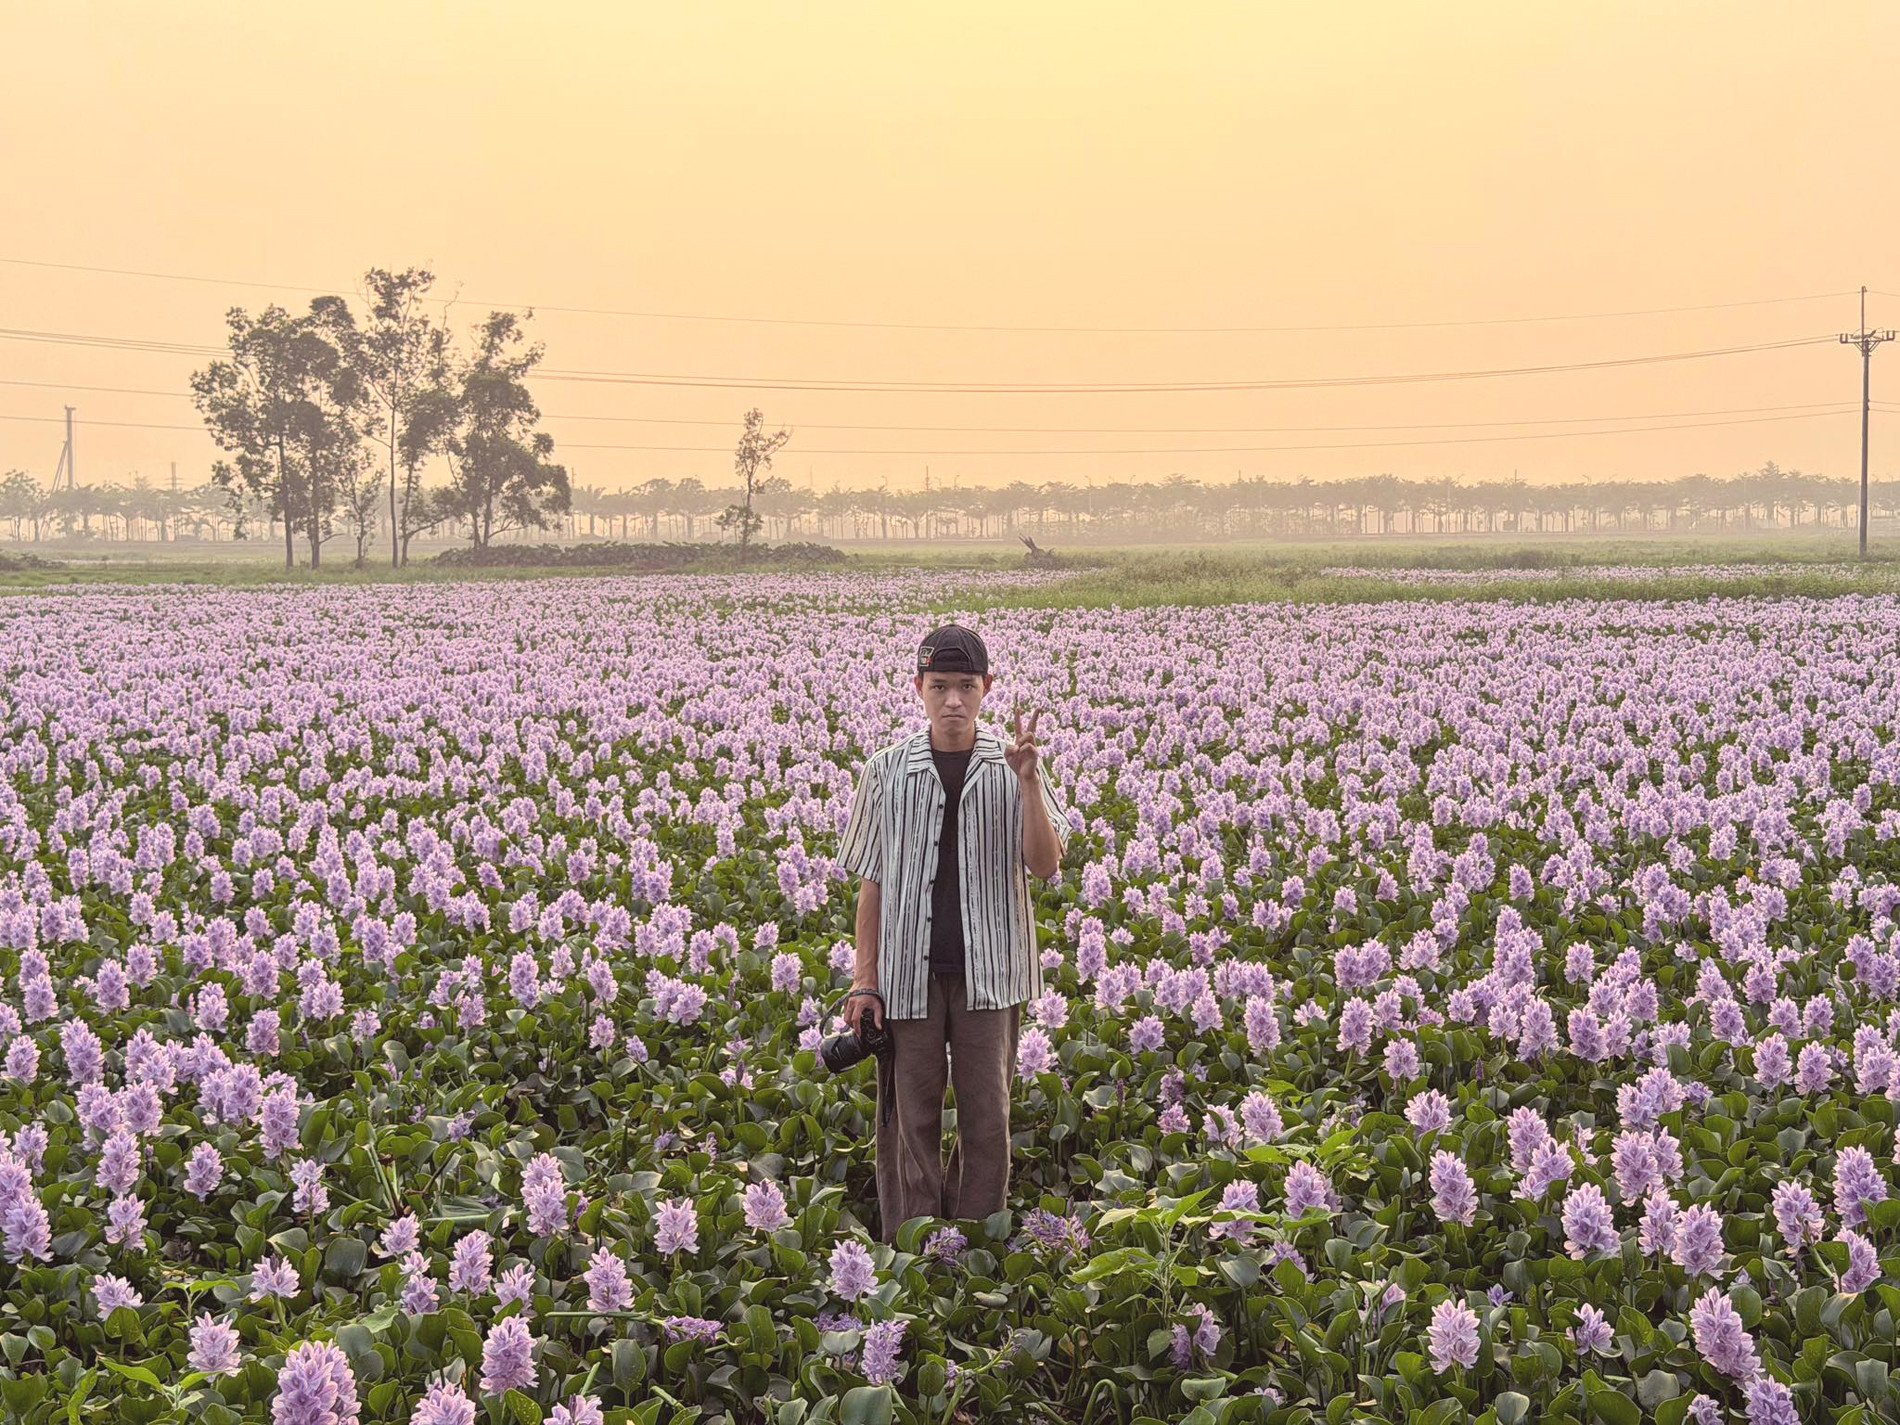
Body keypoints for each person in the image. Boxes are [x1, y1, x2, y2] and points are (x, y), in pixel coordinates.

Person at [833, 622, 1070, 1245]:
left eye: (966, 685)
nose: (954, 701)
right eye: (940, 686)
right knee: (910, 1120)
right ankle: (914, 1249)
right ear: (919, 688)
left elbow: (1045, 865)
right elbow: (873, 885)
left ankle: (976, 1245)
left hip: (990, 972)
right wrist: (864, 982)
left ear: (988, 687)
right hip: (907, 975)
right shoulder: (886, 771)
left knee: (988, 1120)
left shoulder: (1017, 765)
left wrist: (1027, 781)